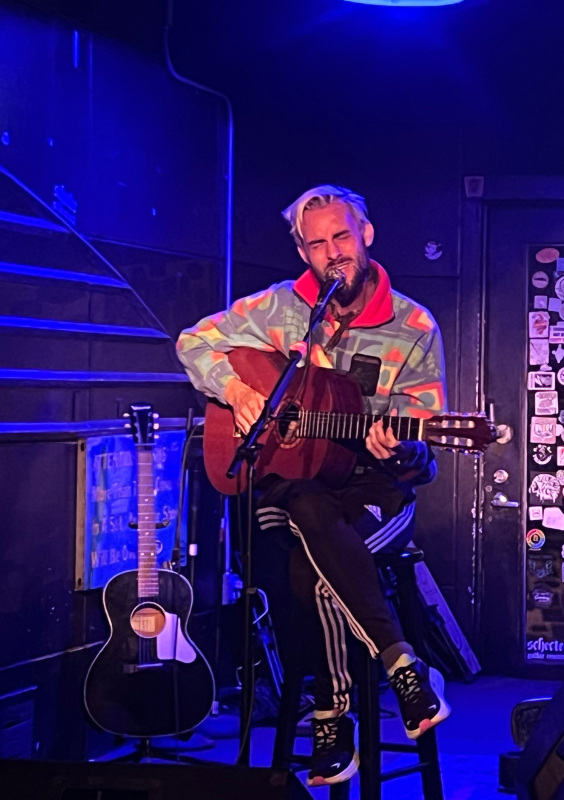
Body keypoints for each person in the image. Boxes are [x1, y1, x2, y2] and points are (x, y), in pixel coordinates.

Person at [176, 184, 449, 785]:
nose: (333, 253)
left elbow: (425, 441)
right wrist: (239, 391)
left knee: (315, 552)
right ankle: (400, 665)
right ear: (303, 251)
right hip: (291, 485)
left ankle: (332, 717)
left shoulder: (413, 325)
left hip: (376, 489)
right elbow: (192, 341)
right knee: (305, 507)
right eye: (317, 243)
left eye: (342, 237)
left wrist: (403, 446)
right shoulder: (279, 308)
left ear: (366, 235)